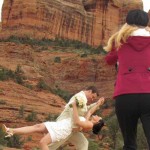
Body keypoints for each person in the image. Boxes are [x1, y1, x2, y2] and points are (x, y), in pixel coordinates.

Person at [104, 9, 150, 150]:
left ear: (127, 22)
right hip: (149, 94)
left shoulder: (119, 41)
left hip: (125, 95)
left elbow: (109, 60)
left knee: (129, 144)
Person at [2, 97, 105, 150]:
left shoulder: (89, 124)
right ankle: (11, 130)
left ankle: (12, 131)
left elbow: (77, 121)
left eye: (98, 117)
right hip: (60, 125)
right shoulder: (88, 120)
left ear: (97, 122)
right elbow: (90, 111)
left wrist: (74, 107)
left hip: (62, 130)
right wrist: (98, 103)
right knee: (37, 127)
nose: (97, 116)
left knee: (43, 143)